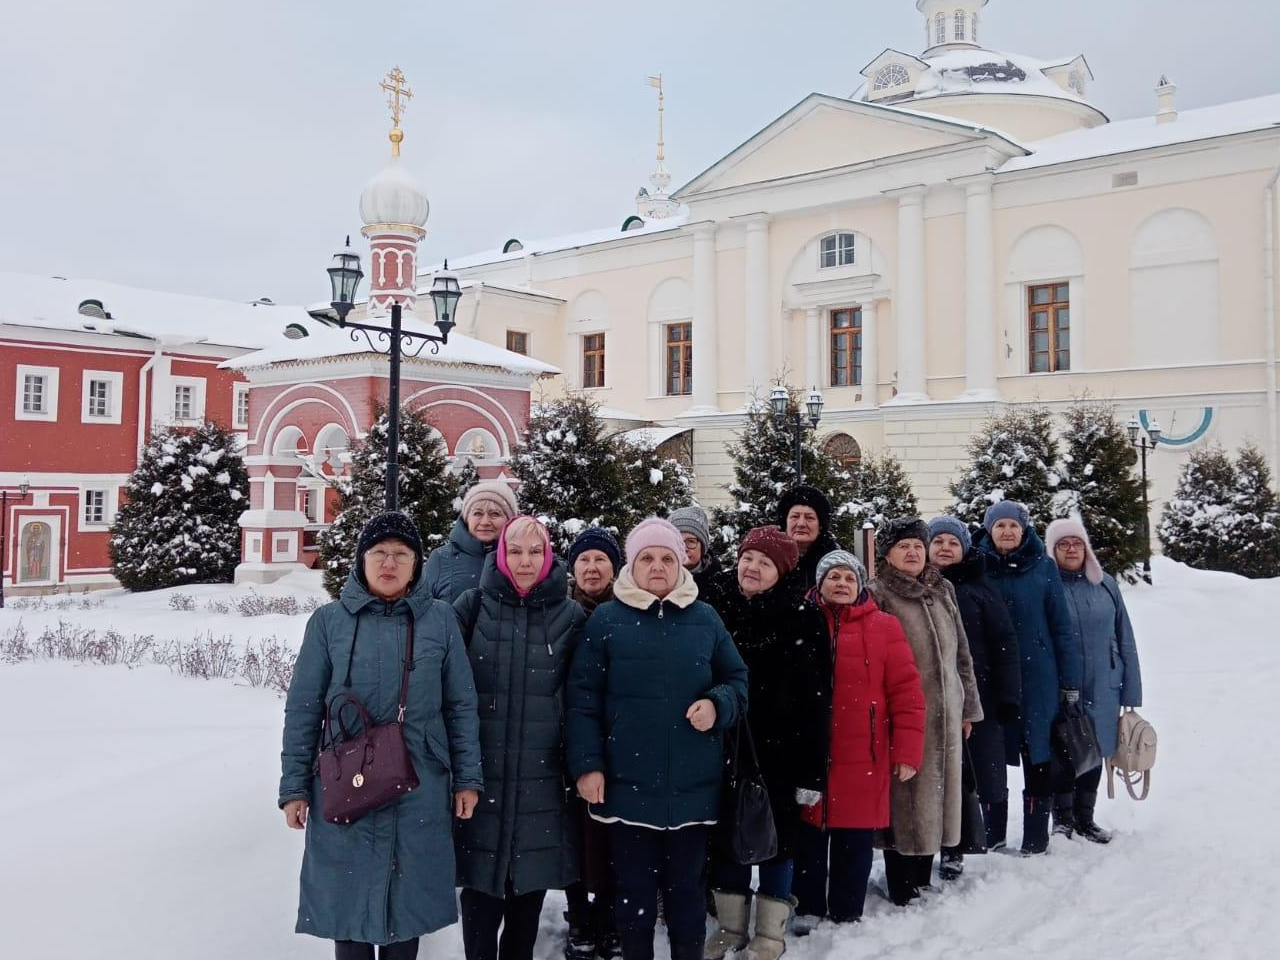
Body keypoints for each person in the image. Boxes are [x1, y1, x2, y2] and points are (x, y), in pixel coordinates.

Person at [279, 512, 484, 960]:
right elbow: (304, 709)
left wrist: (468, 778)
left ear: (416, 563)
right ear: (361, 560)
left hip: (420, 782)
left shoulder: (440, 621)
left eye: (400, 554)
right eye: (379, 553)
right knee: (346, 904)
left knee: (407, 905)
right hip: (344, 782)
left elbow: (460, 706)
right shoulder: (329, 622)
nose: (389, 563)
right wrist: (294, 786)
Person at [567, 517, 749, 960]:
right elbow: (582, 700)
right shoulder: (608, 620)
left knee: (687, 897)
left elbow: (738, 680)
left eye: (667, 557)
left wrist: (718, 704)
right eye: (646, 557)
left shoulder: (705, 618)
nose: (657, 566)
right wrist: (588, 765)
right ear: (631, 564)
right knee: (634, 898)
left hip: (693, 789)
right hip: (628, 788)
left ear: (681, 563)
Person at [453, 516, 588, 960]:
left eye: (535, 551)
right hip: (481, 780)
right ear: (500, 554)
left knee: (525, 902)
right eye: (515, 551)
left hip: (541, 784)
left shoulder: (570, 617)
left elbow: (584, 698)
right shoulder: (471, 607)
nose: (525, 561)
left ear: (548, 554)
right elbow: (442, 683)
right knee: (478, 899)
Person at [705, 525, 831, 960]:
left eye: (765, 562)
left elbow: (818, 700)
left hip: (782, 751)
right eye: (748, 558)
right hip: (722, 746)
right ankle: (730, 927)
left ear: (781, 571)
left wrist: (813, 770)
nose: (752, 567)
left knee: (778, 839)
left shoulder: (802, 616)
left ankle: (769, 934)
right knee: (726, 836)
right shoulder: (716, 610)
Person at [793, 551, 925, 929]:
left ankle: (848, 908)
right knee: (810, 833)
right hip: (813, 749)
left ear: (861, 584)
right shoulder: (803, 621)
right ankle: (808, 906)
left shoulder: (884, 626)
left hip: (866, 752)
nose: (841, 584)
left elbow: (906, 692)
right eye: (833, 576)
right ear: (819, 584)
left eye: (849, 578)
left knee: (854, 836)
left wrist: (907, 752)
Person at [867, 517, 983, 906]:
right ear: (888, 554)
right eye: (904, 546)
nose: (913, 552)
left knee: (940, 791)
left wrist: (967, 705)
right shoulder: (878, 593)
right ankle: (901, 880)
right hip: (904, 713)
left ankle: (923, 872)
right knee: (905, 795)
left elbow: (961, 654)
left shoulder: (942, 588)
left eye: (918, 545)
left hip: (947, 712)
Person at [975, 501, 1081, 856]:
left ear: (1024, 530)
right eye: (1000, 525)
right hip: (991, 679)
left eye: (1013, 526)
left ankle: (1036, 837)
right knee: (991, 755)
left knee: (1038, 755)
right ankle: (993, 836)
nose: (1007, 531)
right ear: (989, 529)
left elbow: (1062, 629)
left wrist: (1069, 683)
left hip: (1039, 679)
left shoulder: (1044, 568)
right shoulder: (977, 566)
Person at [927, 516, 1022, 864]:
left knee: (968, 775)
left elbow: (1005, 643)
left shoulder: (979, 589)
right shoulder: (919, 586)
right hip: (929, 698)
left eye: (952, 543)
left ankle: (960, 847)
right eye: (938, 542)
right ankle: (930, 844)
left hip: (974, 697)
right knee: (934, 775)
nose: (945, 549)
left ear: (964, 548)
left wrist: (1008, 696)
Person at [1045, 518, 1143, 844]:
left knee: (1095, 747)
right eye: (1063, 544)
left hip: (1104, 683)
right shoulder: (1046, 586)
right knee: (1063, 749)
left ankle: (1085, 818)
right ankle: (1062, 820)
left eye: (1077, 543)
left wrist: (1131, 688)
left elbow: (1124, 636)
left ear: (1085, 547)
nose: (1071, 549)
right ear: (1052, 550)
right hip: (1062, 684)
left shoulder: (1105, 584)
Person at [563, 527, 624, 960]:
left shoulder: (627, 610)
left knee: (607, 833)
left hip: (616, 738)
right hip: (563, 735)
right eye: (583, 560)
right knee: (570, 833)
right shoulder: (560, 610)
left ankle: (608, 916)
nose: (591, 567)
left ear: (614, 568)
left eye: (600, 559)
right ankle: (578, 916)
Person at [422, 480, 520, 602]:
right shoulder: (441, 559)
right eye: (477, 513)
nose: (485, 522)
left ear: (509, 519)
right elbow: (421, 609)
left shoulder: (522, 559)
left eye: (495, 514)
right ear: (467, 518)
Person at [776, 485, 841, 593]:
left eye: (809, 517)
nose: (801, 524)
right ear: (785, 523)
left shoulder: (837, 562)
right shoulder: (769, 559)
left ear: (820, 526)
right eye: (795, 516)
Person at [670, 505, 725, 607]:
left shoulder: (718, 583)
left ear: (703, 547)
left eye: (691, 541)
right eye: (677, 541)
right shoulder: (658, 578)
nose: (684, 548)